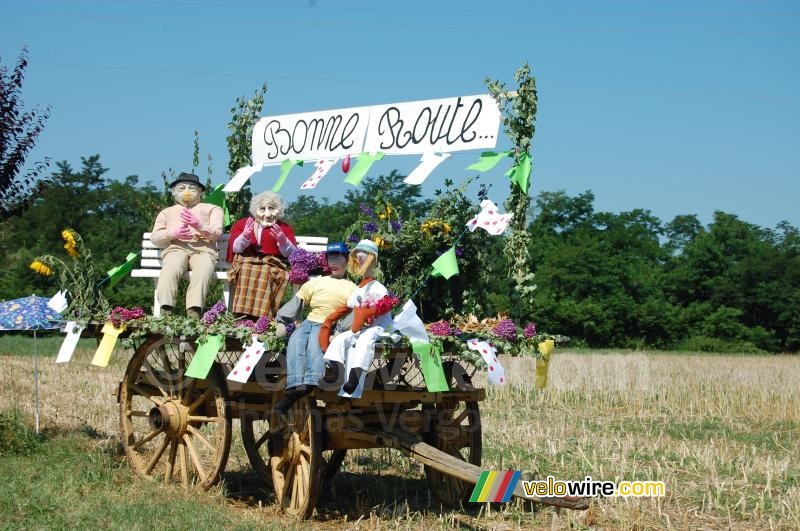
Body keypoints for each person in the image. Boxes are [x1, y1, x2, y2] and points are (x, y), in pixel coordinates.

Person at [273, 241, 356, 415]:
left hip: (328, 324)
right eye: (330, 258)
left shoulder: (351, 288)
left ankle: (310, 383)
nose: (333, 262)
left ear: (346, 260)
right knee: (296, 340)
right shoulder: (316, 283)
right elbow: (298, 302)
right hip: (309, 321)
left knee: (315, 346)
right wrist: (282, 320)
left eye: (337, 257)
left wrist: (341, 330)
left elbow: (355, 313)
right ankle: (294, 385)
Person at [320, 239, 393, 398]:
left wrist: (367, 313)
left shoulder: (379, 288)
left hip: (378, 326)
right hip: (362, 327)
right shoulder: (360, 287)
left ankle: (354, 379)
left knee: (366, 340)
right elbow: (349, 305)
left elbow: (385, 306)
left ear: (372, 258)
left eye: (364, 254)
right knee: (341, 338)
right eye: (358, 253)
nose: (360, 257)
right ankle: (334, 371)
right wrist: (331, 318)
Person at [150, 172, 223, 318]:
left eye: (192, 188)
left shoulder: (213, 209)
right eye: (181, 188)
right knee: (170, 268)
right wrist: (172, 233)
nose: (187, 192)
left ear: (201, 192)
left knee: (204, 269)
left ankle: (194, 310)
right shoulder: (167, 212)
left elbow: (217, 232)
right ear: (174, 192)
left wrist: (199, 225)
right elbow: (155, 238)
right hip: (176, 248)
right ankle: (166, 308)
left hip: (203, 250)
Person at [226, 191, 297, 319]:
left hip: (273, 264)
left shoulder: (283, 228)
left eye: (271, 208)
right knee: (247, 269)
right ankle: (242, 315)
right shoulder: (243, 224)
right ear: (255, 210)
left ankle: (261, 318)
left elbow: (292, 254)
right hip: (246, 262)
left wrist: (282, 240)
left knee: (265, 271)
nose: (267, 214)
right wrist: (245, 236)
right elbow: (236, 248)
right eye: (263, 208)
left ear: (278, 210)